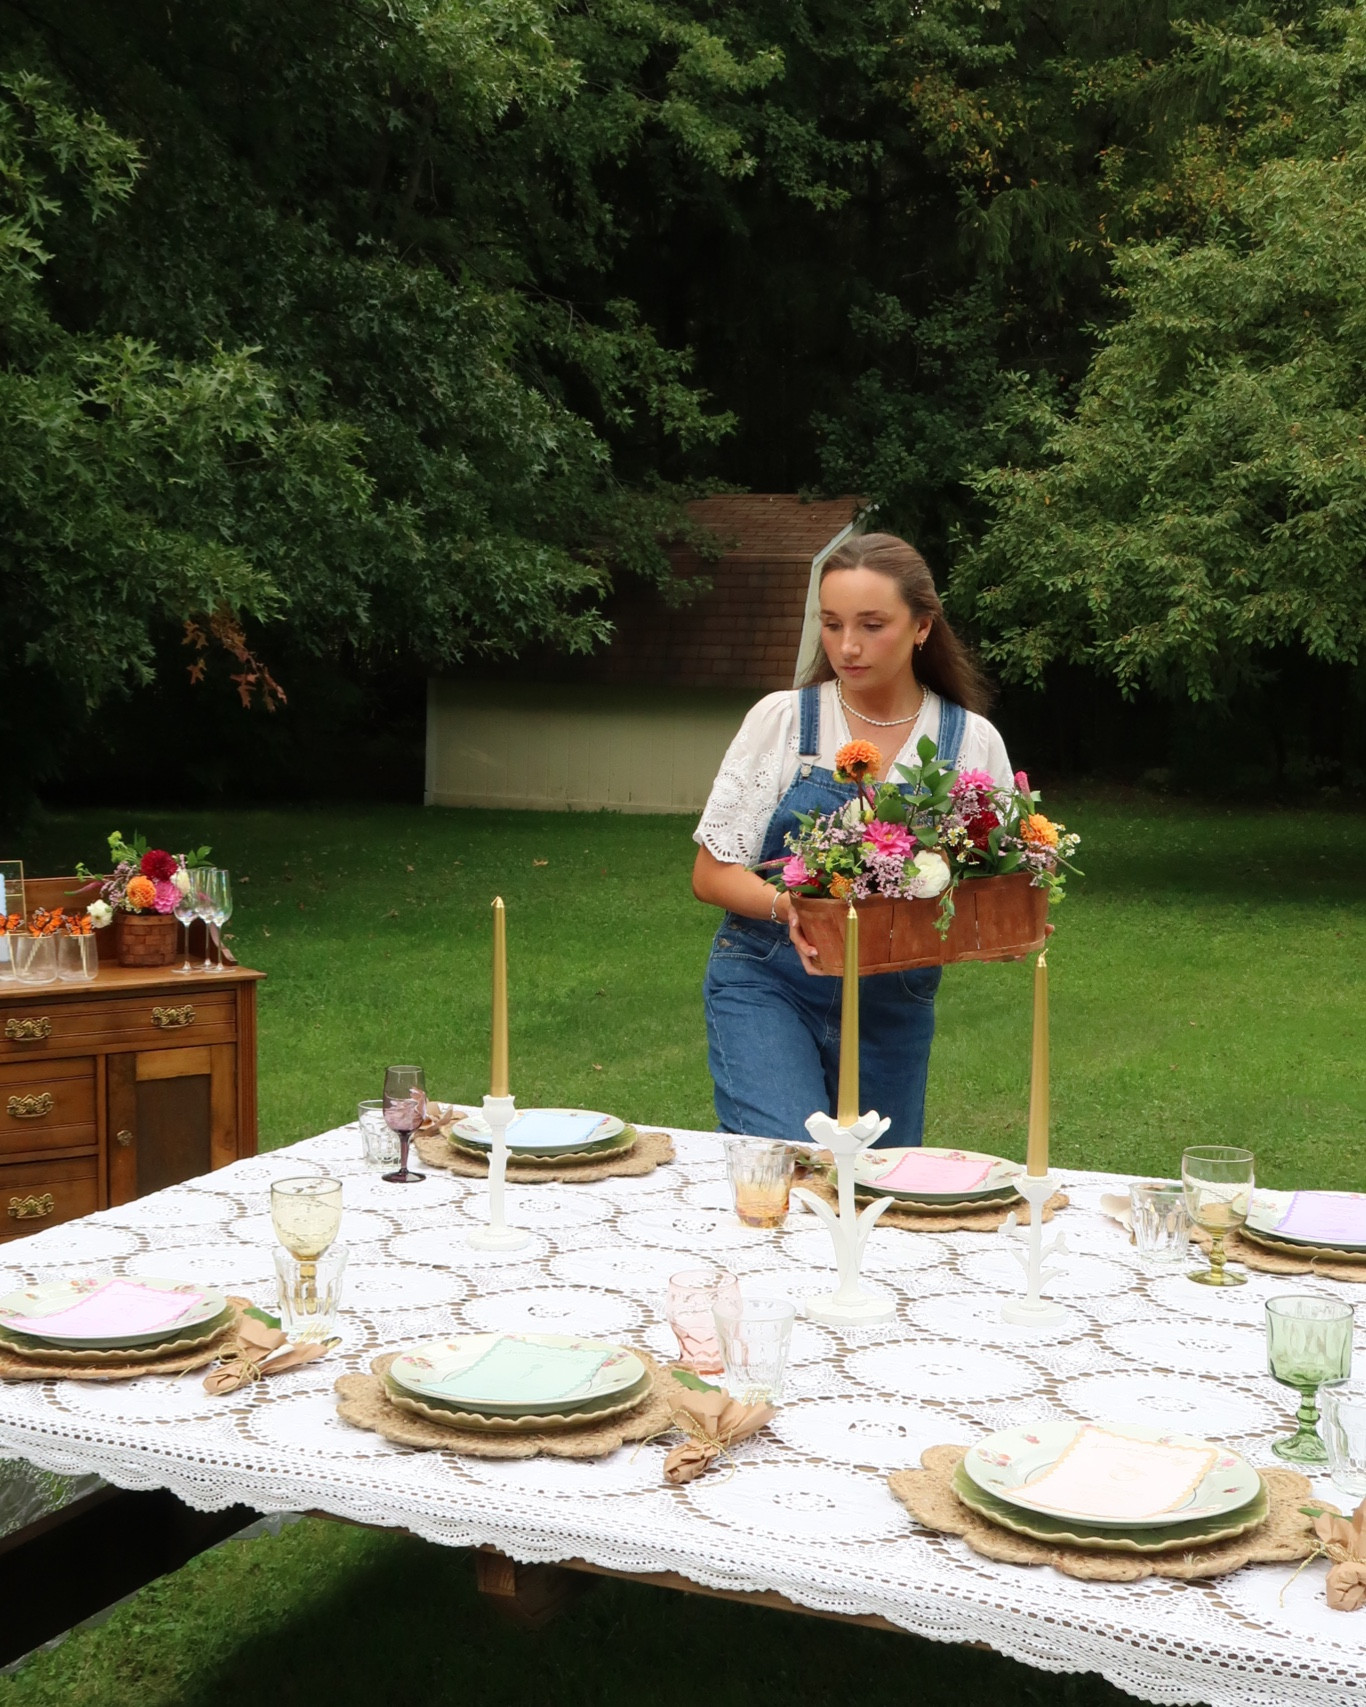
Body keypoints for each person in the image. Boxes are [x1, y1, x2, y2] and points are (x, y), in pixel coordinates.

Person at [692, 532, 1014, 1148]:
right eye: (833, 624)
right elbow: (711, 874)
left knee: (880, 1194)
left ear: (922, 627)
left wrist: (1006, 922)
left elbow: (985, 887)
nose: (848, 646)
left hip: (895, 1002)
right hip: (768, 981)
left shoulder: (971, 744)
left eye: (872, 625)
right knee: (787, 1161)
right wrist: (793, 908)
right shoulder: (786, 722)